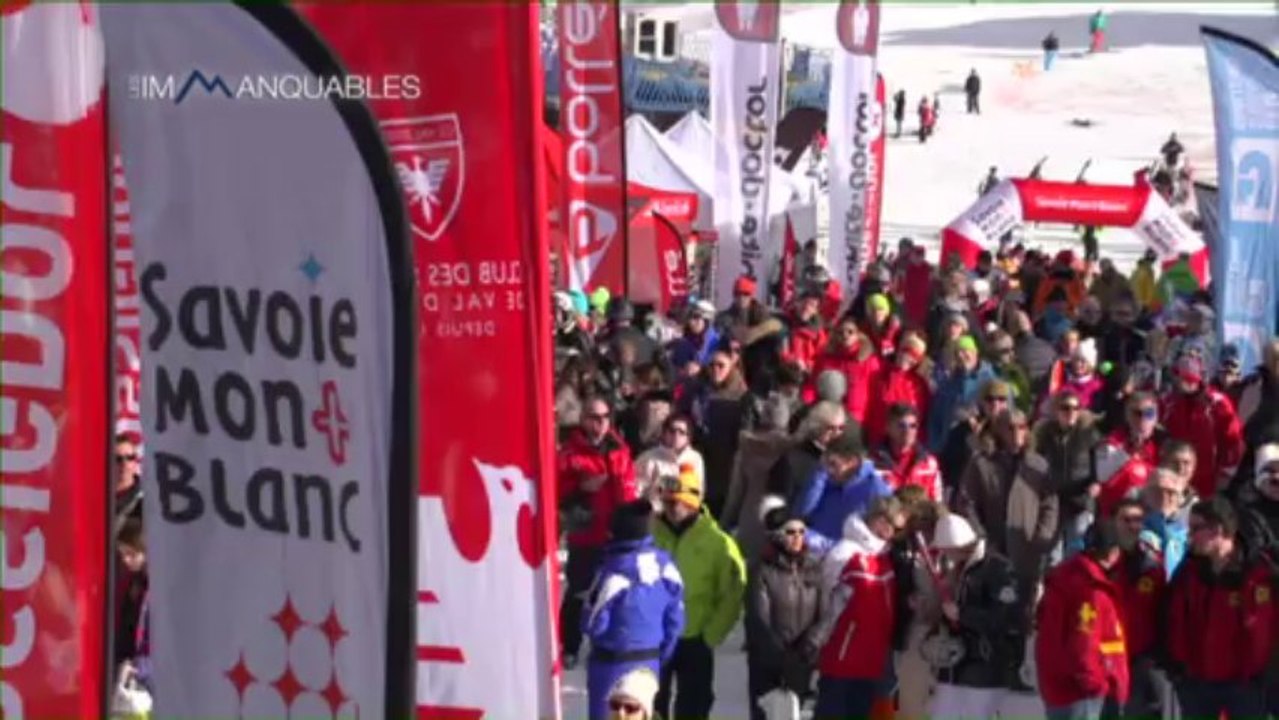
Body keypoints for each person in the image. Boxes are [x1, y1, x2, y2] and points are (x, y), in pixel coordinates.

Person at [1165, 497, 1275, 719]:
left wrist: (1261, 675)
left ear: (1218, 530)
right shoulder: (1189, 572)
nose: (1190, 536)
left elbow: (1264, 632)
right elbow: (1175, 621)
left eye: (1196, 528)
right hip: (1197, 683)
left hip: (1246, 685)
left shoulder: (1258, 574)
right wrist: (1180, 668)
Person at [653, 467, 747, 720]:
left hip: (695, 637)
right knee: (651, 704)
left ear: (692, 502)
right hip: (656, 635)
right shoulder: (650, 535)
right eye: (667, 502)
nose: (672, 508)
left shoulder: (717, 542)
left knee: (694, 705)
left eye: (677, 502)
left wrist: (712, 634)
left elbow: (732, 592)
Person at [583, 501, 685, 720]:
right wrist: (660, 655)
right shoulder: (667, 568)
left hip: (611, 665)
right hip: (649, 663)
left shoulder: (612, 573)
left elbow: (593, 625)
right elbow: (675, 622)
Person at [558, 396, 639, 668]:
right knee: (579, 592)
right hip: (586, 532)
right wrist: (581, 487)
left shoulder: (619, 449)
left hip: (616, 533)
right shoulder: (570, 453)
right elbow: (557, 491)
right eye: (594, 417)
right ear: (583, 419)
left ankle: (608, 643)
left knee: (615, 591)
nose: (600, 423)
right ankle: (570, 646)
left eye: (605, 417)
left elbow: (628, 486)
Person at [927, 513, 1028, 720]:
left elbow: (1005, 619)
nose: (944, 554)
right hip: (953, 668)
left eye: (946, 549)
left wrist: (962, 614)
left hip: (986, 670)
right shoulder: (956, 570)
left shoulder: (998, 569)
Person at [955, 407, 1060, 601]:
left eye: (1021, 427)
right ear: (999, 430)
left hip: (1027, 550)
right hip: (991, 550)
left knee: (1026, 606)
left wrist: (1041, 537)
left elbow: (1050, 504)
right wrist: (981, 538)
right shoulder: (981, 463)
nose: (1016, 433)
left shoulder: (1037, 465)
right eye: (1010, 428)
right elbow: (966, 502)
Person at [811, 498, 902, 719]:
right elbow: (826, 601)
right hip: (842, 658)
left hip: (871, 659)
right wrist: (820, 641)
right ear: (880, 521)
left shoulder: (883, 557)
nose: (896, 534)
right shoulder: (845, 552)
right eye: (895, 527)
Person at [1034, 518, 1130, 720]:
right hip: (1079, 693)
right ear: (1113, 553)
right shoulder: (1091, 589)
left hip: (1057, 685)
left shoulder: (1064, 577)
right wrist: (1097, 684)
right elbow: (1083, 645)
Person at [744, 498, 825, 720]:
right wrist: (781, 658)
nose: (797, 537)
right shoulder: (762, 570)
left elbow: (824, 614)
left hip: (803, 659)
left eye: (802, 531)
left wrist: (810, 645)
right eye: (791, 532)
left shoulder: (814, 566)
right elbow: (759, 620)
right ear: (777, 534)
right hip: (767, 663)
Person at [1109, 498, 1168, 719]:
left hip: (1143, 659)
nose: (1132, 526)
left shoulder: (1153, 565)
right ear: (1113, 522)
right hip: (1108, 659)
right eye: (1126, 520)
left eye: (1138, 520)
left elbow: (1164, 612)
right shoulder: (1100, 563)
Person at [678, 343, 749, 518]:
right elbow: (682, 413)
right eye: (711, 365)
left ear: (731, 367)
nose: (715, 369)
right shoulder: (697, 388)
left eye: (721, 365)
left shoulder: (740, 394)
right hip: (698, 453)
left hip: (724, 458)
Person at [1160, 353, 1244, 500]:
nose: (1185, 384)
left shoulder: (1216, 403)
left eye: (1190, 380)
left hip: (1207, 481)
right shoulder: (1168, 403)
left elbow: (1233, 440)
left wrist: (1226, 473)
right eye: (1181, 378)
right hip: (1174, 475)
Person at [722, 395, 795, 563]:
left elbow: (735, 497)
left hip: (750, 523)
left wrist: (723, 527)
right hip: (781, 526)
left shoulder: (747, 448)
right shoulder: (793, 451)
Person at [794, 430, 893, 551]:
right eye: (826, 464)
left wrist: (811, 539)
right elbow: (802, 514)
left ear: (852, 462)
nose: (829, 470)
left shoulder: (877, 491)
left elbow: (869, 544)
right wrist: (819, 475)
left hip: (840, 557)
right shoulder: (826, 478)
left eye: (833, 464)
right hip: (807, 550)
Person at [1034, 390, 1101, 558]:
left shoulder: (1088, 434)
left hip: (1080, 500)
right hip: (1053, 500)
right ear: (1057, 411)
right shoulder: (1045, 435)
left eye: (1075, 408)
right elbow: (1037, 462)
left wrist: (1096, 483)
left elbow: (1098, 463)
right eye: (1065, 408)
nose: (1071, 412)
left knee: (1076, 549)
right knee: (1052, 552)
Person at [1095, 392, 1163, 518]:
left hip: (1149, 515)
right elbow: (1102, 474)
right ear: (1127, 416)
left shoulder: (1163, 443)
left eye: (1149, 413)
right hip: (1116, 515)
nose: (1142, 419)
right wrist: (1127, 452)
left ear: (1156, 417)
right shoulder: (1112, 441)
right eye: (1137, 413)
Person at [807, 317, 881, 428]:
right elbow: (812, 386)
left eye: (850, 331)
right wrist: (807, 407)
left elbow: (875, 396)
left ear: (858, 335)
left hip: (856, 419)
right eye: (840, 332)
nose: (845, 335)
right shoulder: (826, 359)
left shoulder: (869, 361)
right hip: (829, 418)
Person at [928, 335, 996, 453]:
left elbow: (1002, 415)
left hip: (978, 450)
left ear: (975, 352)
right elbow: (935, 418)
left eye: (964, 351)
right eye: (957, 353)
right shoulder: (948, 385)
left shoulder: (990, 380)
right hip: (948, 449)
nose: (960, 356)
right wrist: (936, 446)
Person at [769, 401, 846, 502]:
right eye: (831, 428)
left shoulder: (843, 462)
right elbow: (775, 501)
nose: (837, 434)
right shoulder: (792, 460)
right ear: (817, 427)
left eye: (841, 428)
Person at [865, 333, 932, 447]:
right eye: (905, 351)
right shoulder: (880, 372)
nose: (907, 357)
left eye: (914, 356)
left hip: (904, 442)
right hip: (877, 438)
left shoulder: (919, 384)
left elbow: (920, 417)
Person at [873, 403, 943, 502]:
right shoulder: (873, 463)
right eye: (901, 426)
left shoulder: (929, 464)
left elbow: (937, 502)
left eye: (913, 426)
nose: (907, 431)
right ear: (888, 428)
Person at [114, 517, 151, 692]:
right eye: (122, 554)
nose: (126, 560)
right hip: (130, 668)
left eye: (132, 554)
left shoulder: (157, 588)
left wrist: (139, 667)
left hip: (144, 675)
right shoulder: (132, 583)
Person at [634, 414, 704, 503]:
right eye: (672, 431)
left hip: (685, 508)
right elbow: (637, 490)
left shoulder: (695, 458)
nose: (676, 435)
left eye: (682, 432)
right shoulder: (648, 457)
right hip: (654, 508)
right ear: (664, 433)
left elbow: (698, 491)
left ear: (688, 438)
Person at [667, 300, 720, 376]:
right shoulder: (683, 340)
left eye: (696, 317)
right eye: (691, 317)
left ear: (706, 321)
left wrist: (700, 369)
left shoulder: (715, 342)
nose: (692, 322)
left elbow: (717, 367)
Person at [114, 434, 144, 533]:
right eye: (118, 459)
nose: (124, 463)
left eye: (130, 457)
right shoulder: (92, 499)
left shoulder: (146, 502)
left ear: (135, 462)